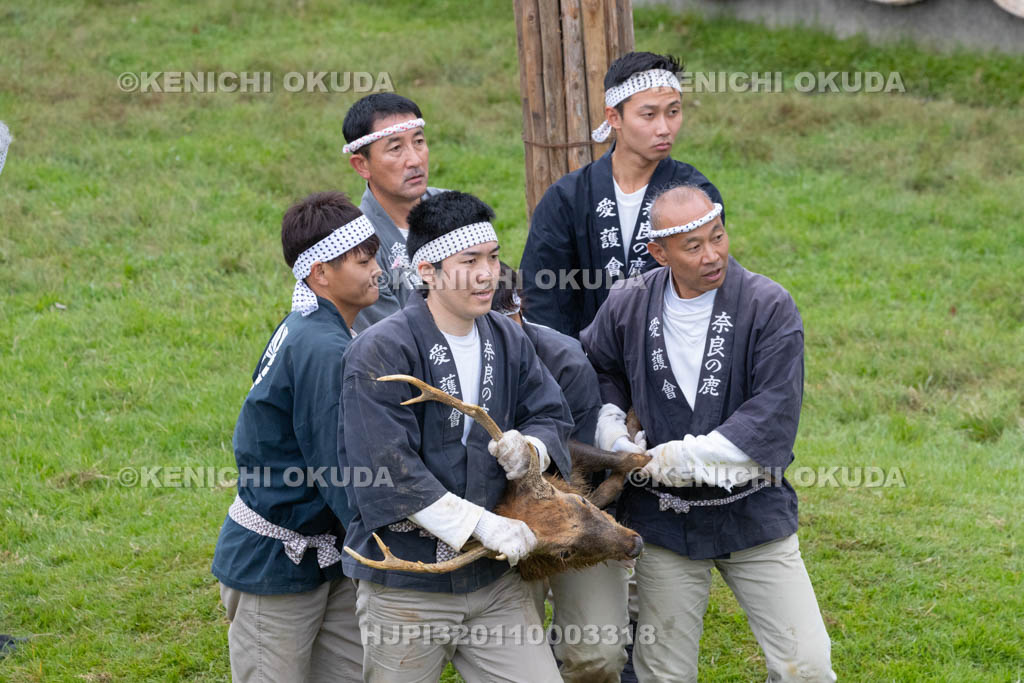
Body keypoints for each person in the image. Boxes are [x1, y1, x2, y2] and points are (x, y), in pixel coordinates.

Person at [580, 184, 836, 682]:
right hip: (664, 520)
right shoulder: (629, 303)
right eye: (693, 246)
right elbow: (596, 368)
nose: (712, 254)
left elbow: (774, 411)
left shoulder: (768, 304)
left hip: (753, 513)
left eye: (717, 236)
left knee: (806, 665)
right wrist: (610, 425)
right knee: (663, 672)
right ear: (659, 252)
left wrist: (682, 458)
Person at [338, 191, 574, 682]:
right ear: (427, 271)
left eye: (492, 257)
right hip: (405, 580)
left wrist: (531, 448)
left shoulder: (508, 338)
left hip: (493, 580)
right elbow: (388, 469)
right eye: (469, 261)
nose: (488, 273)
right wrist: (484, 526)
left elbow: (551, 413)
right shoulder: (380, 351)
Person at [211, 191, 382, 683]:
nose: (377, 269)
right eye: (362, 260)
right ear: (319, 273)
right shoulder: (322, 347)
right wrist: (393, 546)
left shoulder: (310, 327)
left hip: (326, 552)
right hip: (278, 562)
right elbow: (339, 465)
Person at [491, 262, 631, 683]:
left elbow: (579, 460)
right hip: (488, 521)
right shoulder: (444, 357)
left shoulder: (564, 357)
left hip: (573, 507)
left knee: (599, 654)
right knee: (517, 659)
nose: (504, 336)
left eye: (510, 320)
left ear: (523, 306)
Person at [520, 51, 725, 338]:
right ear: (614, 116)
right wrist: (568, 365)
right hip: (583, 364)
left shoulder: (696, 195)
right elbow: (543, 296)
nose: (664, 128)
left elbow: (702, 283)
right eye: (649, 115)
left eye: (673, 112)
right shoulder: (567, 198)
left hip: (669, 354)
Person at [341, 92, 446, 331]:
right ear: (362, 165)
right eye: (396, 148)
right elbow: (391, 340)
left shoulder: (456, 209)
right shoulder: (360, 246)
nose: (414, 160)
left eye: (418, 142)